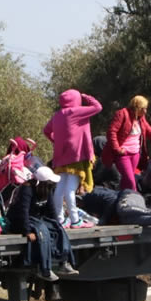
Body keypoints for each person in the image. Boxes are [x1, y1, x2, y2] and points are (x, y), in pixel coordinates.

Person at [6, 166, 78, 283]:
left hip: (36, 219)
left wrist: (57, 225)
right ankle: (44, 268)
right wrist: (27, 231)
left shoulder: (47, 190)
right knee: (42, 232)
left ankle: (64, 262)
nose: (53, 186)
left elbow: (52, 211)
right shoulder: (27, 190)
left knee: (58, 228)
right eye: (50, 183)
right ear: (43, 183)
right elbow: (23, 212)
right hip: (20, 221)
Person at [43, 89, 102, 228]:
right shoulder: (76, 111)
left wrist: (56, 141)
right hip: (76, 156)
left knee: (60, 188)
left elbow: (46, 131)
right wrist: (86, 96)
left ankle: (60, 219)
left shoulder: (57, 115)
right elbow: (98, 107)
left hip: (60, 156)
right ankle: (75, 220)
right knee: (70, 189)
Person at [101, 95, 151, 191]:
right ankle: (134, 197)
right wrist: (117, 148)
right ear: (136, 107)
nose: (145, 111)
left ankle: (121, 196)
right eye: (143, 108)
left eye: (146, 109)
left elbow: (150, 132)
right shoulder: (122, 114)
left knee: (126, 181)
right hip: (123, 154)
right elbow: (111, 132)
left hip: (135, 154)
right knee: (131, 181)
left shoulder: (141, 118)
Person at [78, 187, 151, 230]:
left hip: (129, 195)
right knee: (126, 220)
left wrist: (103, 219)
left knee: (123, 208)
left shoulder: (92, 193)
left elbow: (111, 199)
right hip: (127, 206)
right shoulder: (87, 208)